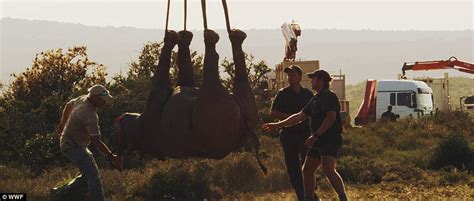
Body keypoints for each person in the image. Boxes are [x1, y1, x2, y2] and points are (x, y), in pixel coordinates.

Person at [263, 70, 347, 201]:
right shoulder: (315, 98)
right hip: (318, 139)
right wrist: (277, 125)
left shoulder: (329, 96)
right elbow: (299, 116)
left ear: (321, 80)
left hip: (329, 139)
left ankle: (343, 198)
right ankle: (309, 199)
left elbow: (331, 118)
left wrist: (316, 135)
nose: (311, 81)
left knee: (328, 169)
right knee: (307, 169)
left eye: (313, 79)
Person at [55, 84, 122, 201]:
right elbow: (96, 141)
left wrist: (62, 125)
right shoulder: (90, 115)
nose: (105, 103)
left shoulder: (83, 98)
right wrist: (111, 157)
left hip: (76, 144)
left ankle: (60, 193)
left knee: (89, 174)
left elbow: (68, 105)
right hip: (72, 146)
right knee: (93, 176)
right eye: (103, 100)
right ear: (95, 97)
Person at [270, 65, 313, 201]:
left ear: (300, 77)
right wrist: (290, 117)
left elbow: (315, 112)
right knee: (293, 167)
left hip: (305, 134)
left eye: (293, 75)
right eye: (289, 75)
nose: (290, 78)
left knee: (307, 166)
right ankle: (302, 195)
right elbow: (273, 113)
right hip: (288, 135)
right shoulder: (283, 94)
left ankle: (310, 194)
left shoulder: (307, 94)